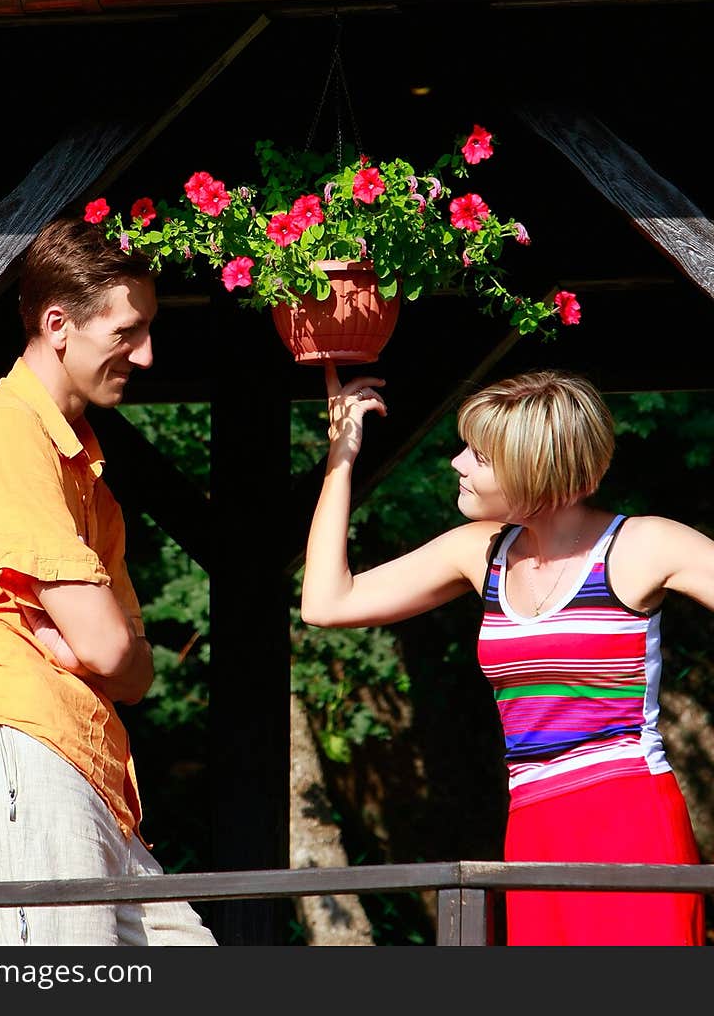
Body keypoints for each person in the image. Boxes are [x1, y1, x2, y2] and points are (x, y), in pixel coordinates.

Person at [301, 364, 712, 946]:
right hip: (532, 823)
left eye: (479, 455)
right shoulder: (483, 550)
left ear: (535, 466)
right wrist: (341, 457)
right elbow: (325, 602)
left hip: (629, 819)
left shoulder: (645, 544)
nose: (457, 464)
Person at [0, 214, 218, 947]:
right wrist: (104, 652)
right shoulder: (6, 435)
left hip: (82, 767)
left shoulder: (87, 472)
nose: (145, 356)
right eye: (127, 333)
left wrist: (97, 650)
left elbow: (131, 666)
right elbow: (116, 654)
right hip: (14, 744)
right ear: (58, 324)